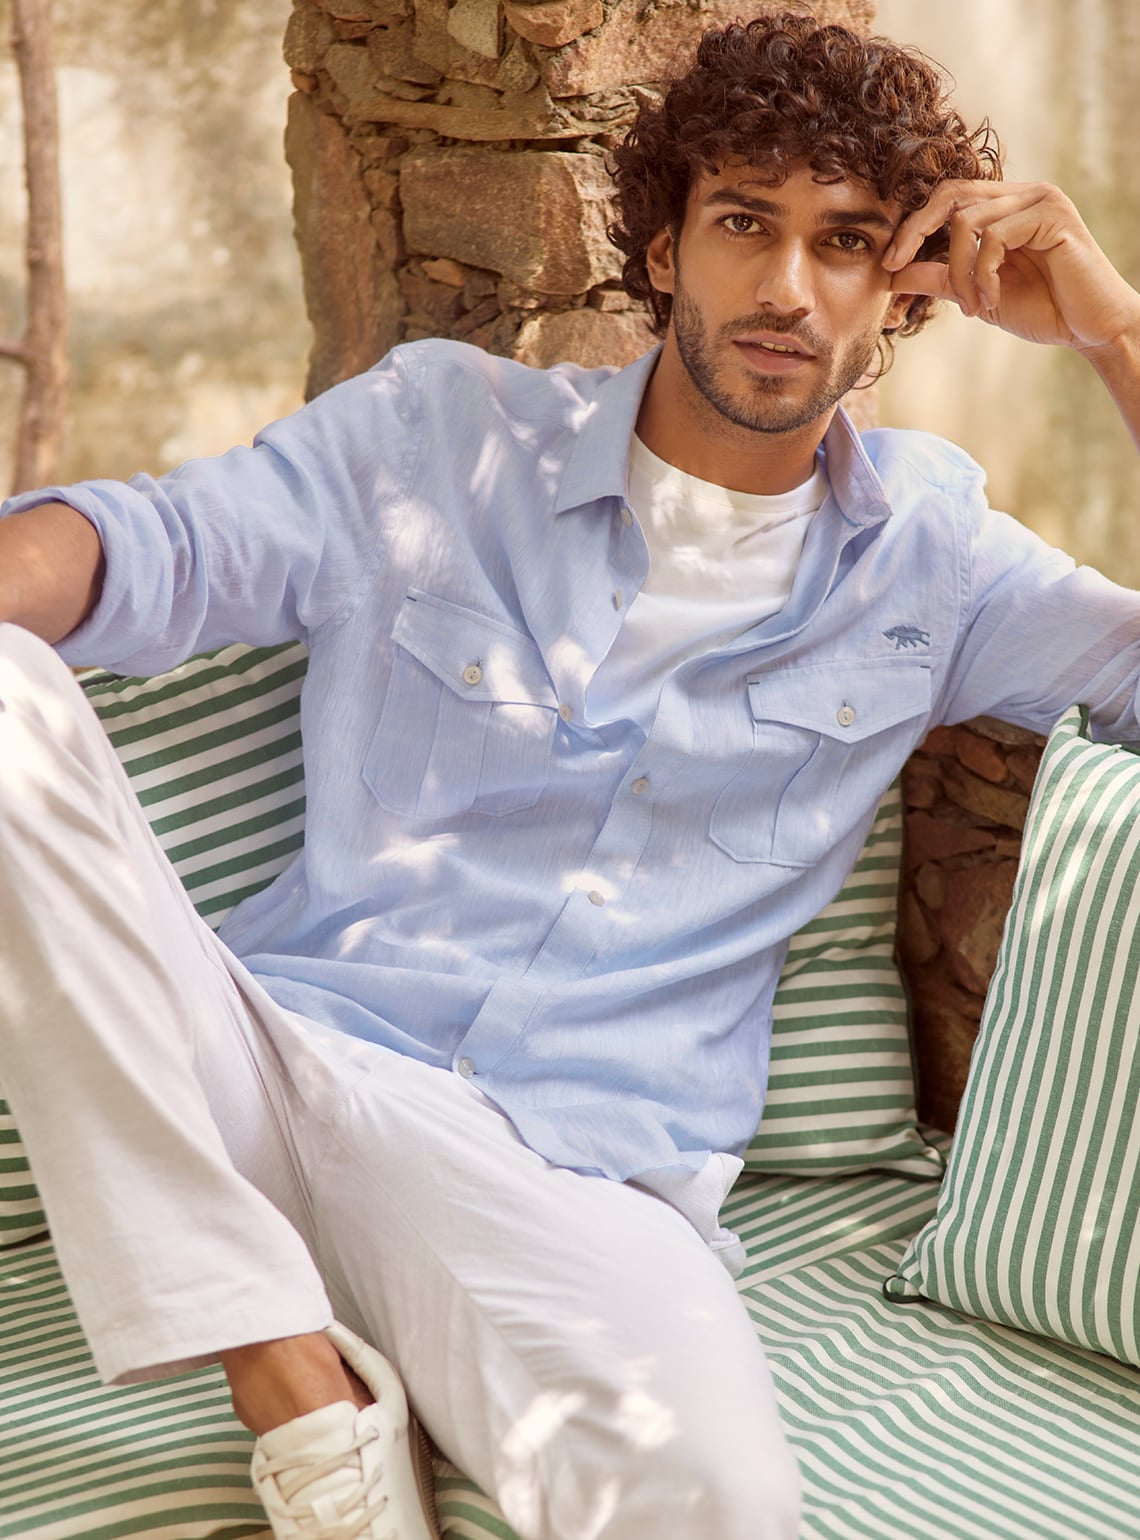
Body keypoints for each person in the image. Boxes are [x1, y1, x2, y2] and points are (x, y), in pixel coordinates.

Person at [1, 11, 1138, 1540]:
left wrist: (1114, 331)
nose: (788, 288)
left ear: (904, 290)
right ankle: (292, 1383)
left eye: (848, 242)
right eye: (746, 223)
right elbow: (147, 548)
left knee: (719, 1506)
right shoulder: (434, 437)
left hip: (571, 1186)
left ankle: (324, 1349)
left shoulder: (940, 567)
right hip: (266, 1075)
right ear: (664, 247)